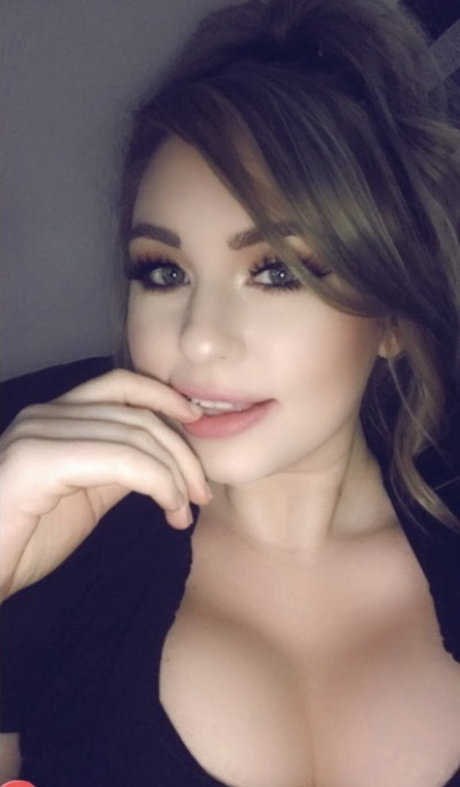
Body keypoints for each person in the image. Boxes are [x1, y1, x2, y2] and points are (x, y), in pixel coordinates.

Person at [1, 0, 460, 784]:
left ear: (389, 316)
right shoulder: (59, 555)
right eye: (163, 271)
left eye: (277, 271)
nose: (200, 339)